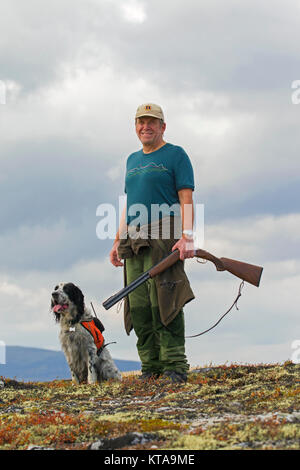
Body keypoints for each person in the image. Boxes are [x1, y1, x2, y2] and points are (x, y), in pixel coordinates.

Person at [109, 103, 195, 383]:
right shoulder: (132, 160)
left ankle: (175, 366)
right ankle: (151, 367)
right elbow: (129, 203)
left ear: (162, 127)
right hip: (133, 238)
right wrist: (116, 240)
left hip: (164, 233)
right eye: (140, 122)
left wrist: (187, 236)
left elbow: (186, 198)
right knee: (139, 303)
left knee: (165, 299)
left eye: (152, 122)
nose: (145, 127)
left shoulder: (176, 154)